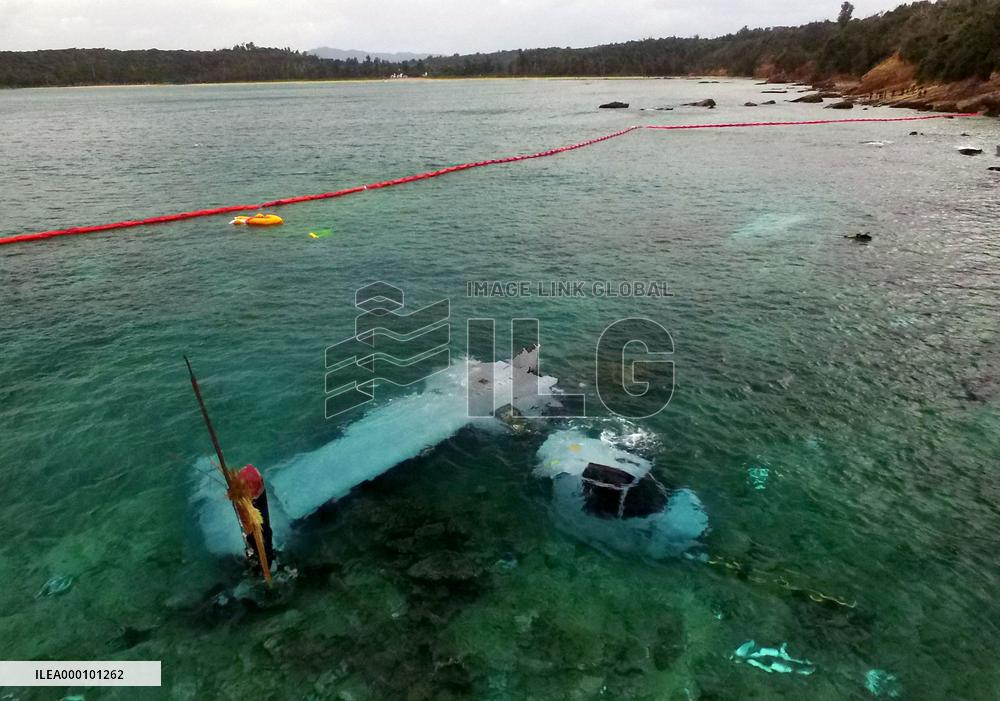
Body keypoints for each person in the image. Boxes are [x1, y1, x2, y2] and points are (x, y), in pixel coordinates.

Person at [237, 464, 275, 572]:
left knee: (261, 533)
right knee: (258, 533)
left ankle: (265, 559)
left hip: (251, 490)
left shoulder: (251, 483)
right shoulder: (250, 480)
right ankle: (263, 557)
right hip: (250, 490)